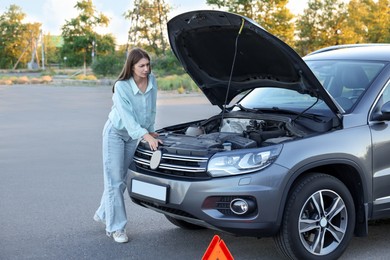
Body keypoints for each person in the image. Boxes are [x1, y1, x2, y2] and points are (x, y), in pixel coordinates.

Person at [93, 48, 162, 243]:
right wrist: (146, 136)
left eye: (148, 65)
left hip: (134, 135)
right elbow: (128, 119)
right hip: (115, 133)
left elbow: (151, 108)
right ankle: (117, 228)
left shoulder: (152, 81)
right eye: (141, 66)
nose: (146, 69)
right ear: (131, 67)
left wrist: (150, 129)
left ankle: (103, 212)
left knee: (120, 180)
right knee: (114, 181)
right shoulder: (121, 87)